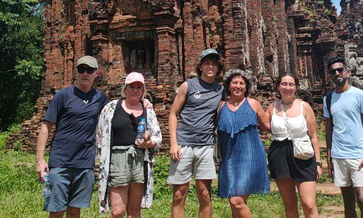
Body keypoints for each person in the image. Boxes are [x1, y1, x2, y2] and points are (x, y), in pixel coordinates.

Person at [36, 55, 108, 218]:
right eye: (81, 69)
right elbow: (46, 127)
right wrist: (40, 160)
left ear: (96, 73)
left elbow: (117, 112)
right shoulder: (63, 95)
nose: (85, 74)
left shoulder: (100, 98)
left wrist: (142, 102)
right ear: (76, 72)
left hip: (84, 163)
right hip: (61, 162)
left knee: (75, 211)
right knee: (56, 210)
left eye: (89, 70)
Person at [96, 72, 162, 217]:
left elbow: (158, 137)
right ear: (125, 89)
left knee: (134, 211)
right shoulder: (112, 108)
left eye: (139, 87)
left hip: (139, 160)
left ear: (143, 91)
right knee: (118, 211)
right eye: (132, 86)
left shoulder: (148, 111)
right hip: (118, 159)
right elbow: (100, 134)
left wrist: (149, 143)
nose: (135, 90)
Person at [168, 49, 224, 218]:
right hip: (183, 144)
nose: (210, 66)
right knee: (179, 193)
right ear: (200, 66)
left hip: (205, 146)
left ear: (218, 68)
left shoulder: (220, 90)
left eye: (214, 64)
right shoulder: (189, 85)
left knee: (205, 194)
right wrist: (173, 143)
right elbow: (173, 113)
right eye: (207, 63)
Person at [323, 56, 363, 218]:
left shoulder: (359, 95)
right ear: (330, 75)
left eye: (340, 70)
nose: (337, 73)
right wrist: (329, 155)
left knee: (362, 198)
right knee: (347, 200)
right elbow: (329, 129)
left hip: (358, 154)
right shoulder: (328, 99)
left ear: (347, 72)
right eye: (333, 71)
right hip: (339, 155)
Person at [217, 69, 271, 218]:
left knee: (237, 201)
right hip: (229, 159)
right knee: (234, 204)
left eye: (242, 83)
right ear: (228, 86)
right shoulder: (221, 106)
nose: (238, 86)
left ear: (246, 87)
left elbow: (268, 126)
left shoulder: (253, 104)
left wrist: (280, 109)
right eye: (235, 83)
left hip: (250, 156)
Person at [267, 73, 322, 218]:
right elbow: (261, 126)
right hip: (279, 155)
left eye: (291, 84)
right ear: (278, 86)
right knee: (290, 205)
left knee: (309, 204)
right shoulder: (272, 108)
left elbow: (314, 136)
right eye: (284, 84)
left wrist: (318, 162)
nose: (287, 87)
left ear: (296, 87)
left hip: (303, 153)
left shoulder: (305, 107)